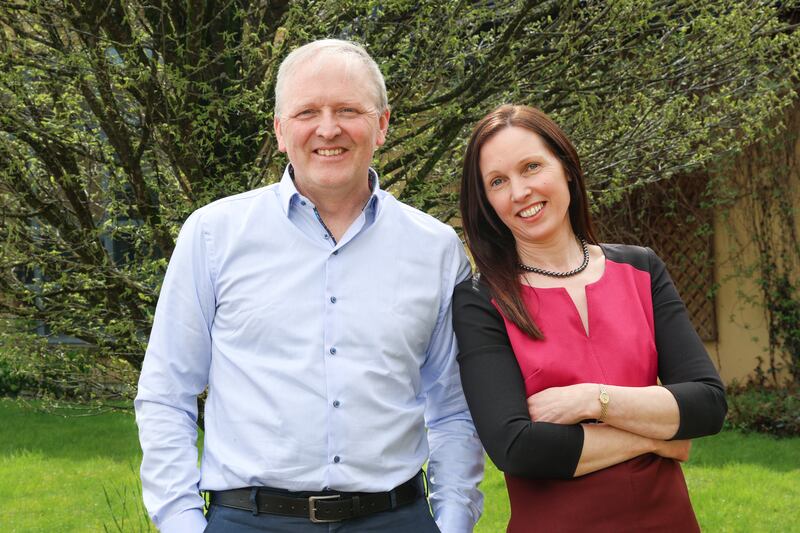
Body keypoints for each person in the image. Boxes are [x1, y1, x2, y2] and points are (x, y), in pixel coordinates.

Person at [134, 39, 483, 533]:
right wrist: (182, 522)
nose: (328, 128)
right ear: (280, 130)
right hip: (249, 521)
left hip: (395, 519)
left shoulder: (436, 249)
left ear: (382, 124)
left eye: (348, 110)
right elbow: (166, 393)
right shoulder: (213, 236)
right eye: (307, 112)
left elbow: (454, 408)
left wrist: (453, 521)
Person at [452, 104, 727, 532]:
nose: (520, 191)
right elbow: (517, 447)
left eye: (531, 167)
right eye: (498, 181)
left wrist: (592, 400)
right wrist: (660, 435)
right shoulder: (480, 300)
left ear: (565, 167)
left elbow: (707, 404)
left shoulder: (641, 269)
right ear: (486, 201)